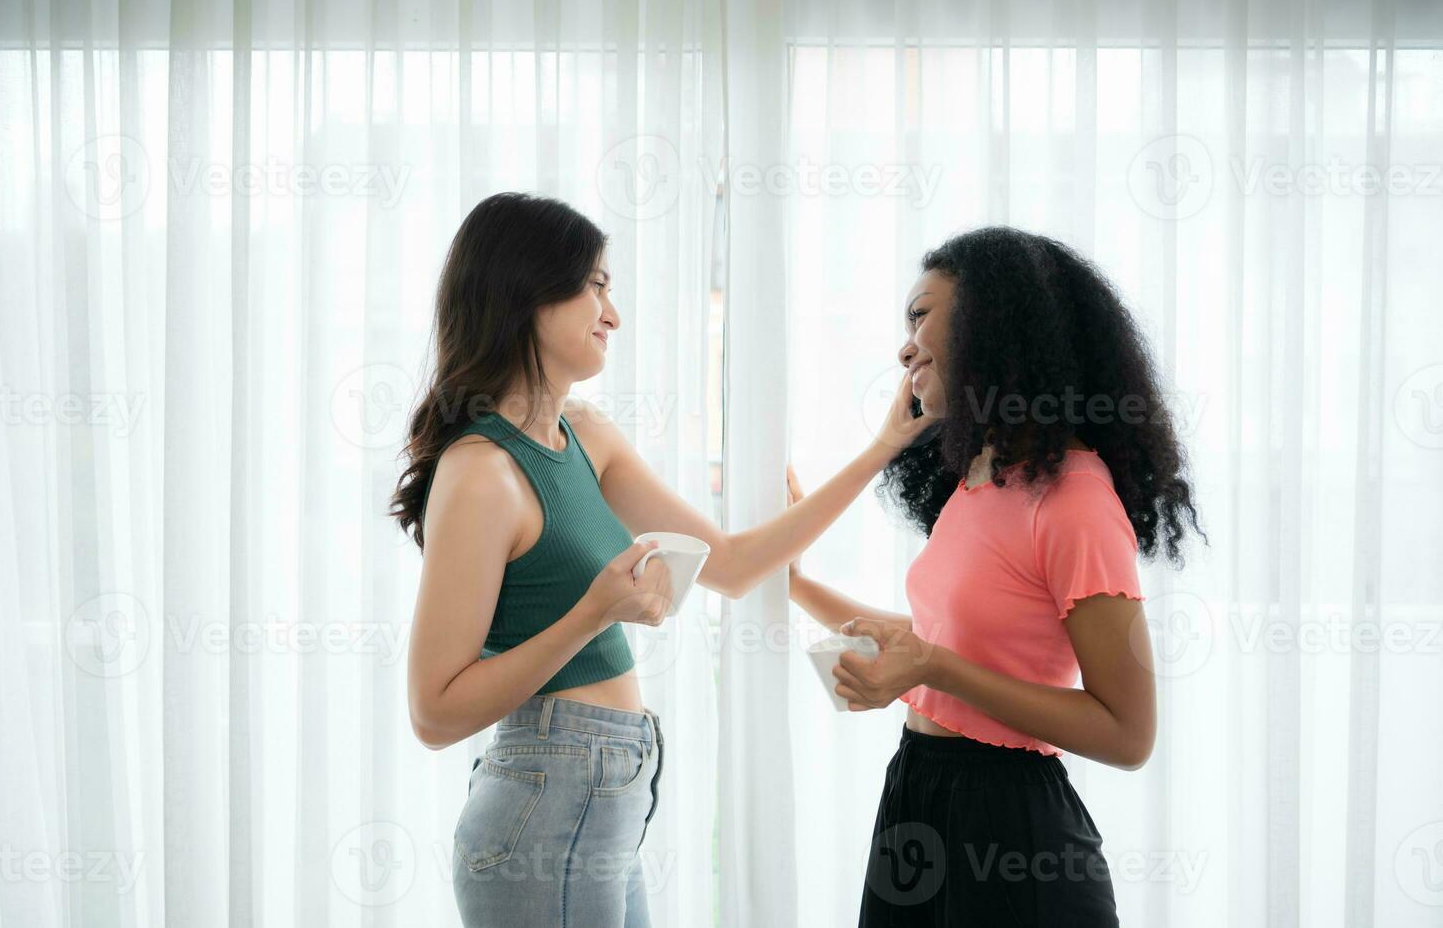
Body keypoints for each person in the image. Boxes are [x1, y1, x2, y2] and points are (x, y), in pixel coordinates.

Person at [392, 191, 932, 926]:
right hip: (547, 793)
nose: (612, 314)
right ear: (525, 293)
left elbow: (735, 566)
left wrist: (882, 449)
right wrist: (593, 614)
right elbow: (434, 711)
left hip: (608, 788)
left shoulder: (586, 433)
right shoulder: (480, 471)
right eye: (596, 286)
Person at [785, 226, 1205, 926]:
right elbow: (936, 643)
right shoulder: (983, 479)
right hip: (918, 796)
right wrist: (795, 583)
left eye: (921, 315)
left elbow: (1128, 735)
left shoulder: (1074, 499)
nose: (905, 345)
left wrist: (934, 669)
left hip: (1012, 833)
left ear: (995, 321)